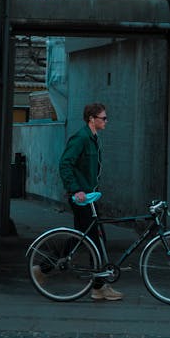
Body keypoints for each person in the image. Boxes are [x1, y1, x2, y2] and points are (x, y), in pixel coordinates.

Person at [57, 102, 123, 301]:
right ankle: (99, 287)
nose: (106, 121)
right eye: (103, 118)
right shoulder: (81, 138)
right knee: (95, 239)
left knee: (83, 237)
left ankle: (44, 267)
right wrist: (76, 190)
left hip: (90, 197)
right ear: (91, 119)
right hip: (81, 198)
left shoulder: (93, 138)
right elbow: (65, 164)